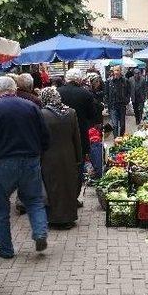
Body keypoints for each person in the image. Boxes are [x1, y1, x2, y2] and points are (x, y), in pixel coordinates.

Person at [0, 76, 50, 258]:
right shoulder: (31, 107)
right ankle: (39, 233)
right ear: (14, 89)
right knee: (34, 200)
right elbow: (44, 134)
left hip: (4, 163)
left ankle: (5, 249)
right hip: (30, 160)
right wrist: (40, 153)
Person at [39, 87, 82, 230]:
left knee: (54, 187)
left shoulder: (42, 114)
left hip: (48, 157)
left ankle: (55, 219)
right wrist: (78, 158)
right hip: (69, 155)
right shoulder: (71, 112)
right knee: (68, 186)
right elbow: (76, 137)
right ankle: (69, 217)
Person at [58, 68, 95, 202]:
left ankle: (63, 195)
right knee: (78, 165)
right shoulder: (85, 94)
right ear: (79, 79)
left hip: (60, 136)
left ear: (67, 78)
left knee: (62, 165)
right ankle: (74, 196)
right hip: (80, 135)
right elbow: (92, 116)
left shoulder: (58, 92)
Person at [105, 66, 130, 136]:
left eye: (118, 70)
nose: (116, 72)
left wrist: (127, 101)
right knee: (115, 125)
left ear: (120, 71)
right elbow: (106, 93)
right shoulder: (109, 81)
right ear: (113, 71)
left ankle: (121, 138)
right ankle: (116, 139)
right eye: (115, 70)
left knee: (122, 125)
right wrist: (107, 104)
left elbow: (128, 92)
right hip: (113, 106)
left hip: (122, 105)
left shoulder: (125, 81)